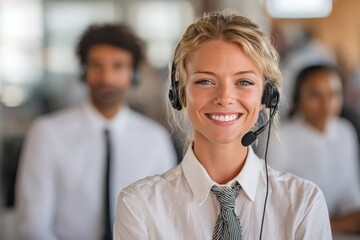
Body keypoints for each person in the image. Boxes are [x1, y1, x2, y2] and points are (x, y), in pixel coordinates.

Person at [114, 11, 332, 239]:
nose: (225, 97)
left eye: (244, 82)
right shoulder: (139, 207)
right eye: (205, 81)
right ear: (180, 94)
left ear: (266, 97)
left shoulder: (303, 203)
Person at [15, 23, 177, 240]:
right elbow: (33, 225)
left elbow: (165, 219)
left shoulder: (156, 139)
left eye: (118, 66)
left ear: (134, 73)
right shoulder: (47, 134)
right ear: (83, 71)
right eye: (96, 66)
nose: (106, 78)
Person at [268, 64, 360, 234]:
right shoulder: (281, 137)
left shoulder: (345, 131)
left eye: (333, 94)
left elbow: (350, 191)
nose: (326, 104)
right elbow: (273, 202)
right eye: (315, 95)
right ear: (298, 98)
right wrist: (333, 223)